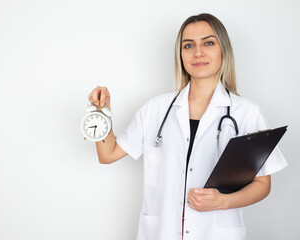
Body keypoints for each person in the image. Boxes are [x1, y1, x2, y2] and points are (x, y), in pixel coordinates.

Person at [88, 13, 287, 240]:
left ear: (224, 50)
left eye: (208, 43)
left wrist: (224, 201)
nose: (198, 53)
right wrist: (100, 112)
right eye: (188, 45)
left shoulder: (247, 113)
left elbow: (262, 184)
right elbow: (108, 154)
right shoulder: (155, 109)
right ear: (180, 54)